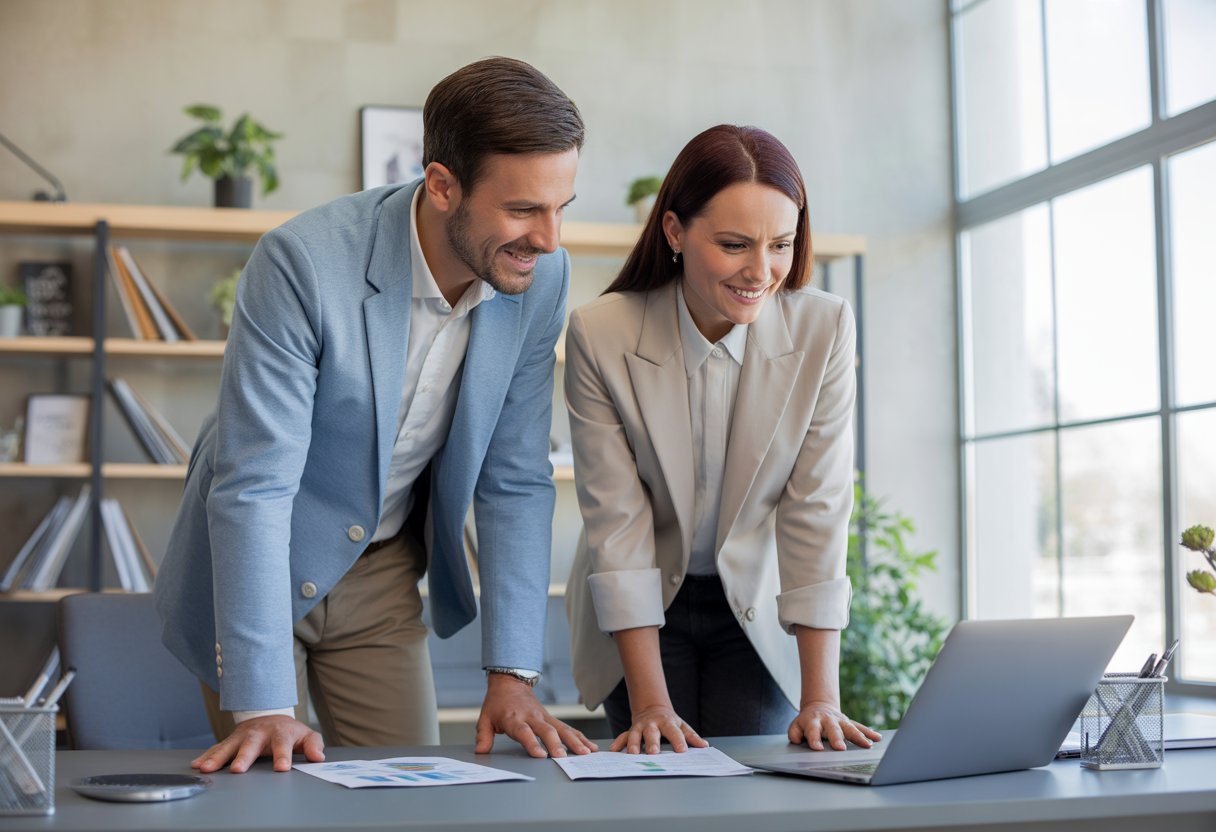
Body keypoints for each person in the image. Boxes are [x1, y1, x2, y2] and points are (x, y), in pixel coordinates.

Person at [154, 56, 598, 774]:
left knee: (415, 795)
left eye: (561, 208)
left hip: (382, 567)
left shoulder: (542, 276)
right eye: (522, 209)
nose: (548, 239)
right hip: (261, 558)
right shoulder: (301, 263)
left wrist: (512, 676)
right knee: (272, 793)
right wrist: (264, 703)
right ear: (442, 185)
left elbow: (515, 477)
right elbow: (255, 486)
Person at [564, 125, 882, 755]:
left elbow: (815, 510)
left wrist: (821, 697)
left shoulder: (824, 328)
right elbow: (617, 525)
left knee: (754, 793)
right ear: (675, 232)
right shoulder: (601, 333)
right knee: (655, 787)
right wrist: (652, 703)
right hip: (643, 603)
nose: (760, 272)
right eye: (735, 244)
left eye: (781, 245)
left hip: (757, 607)